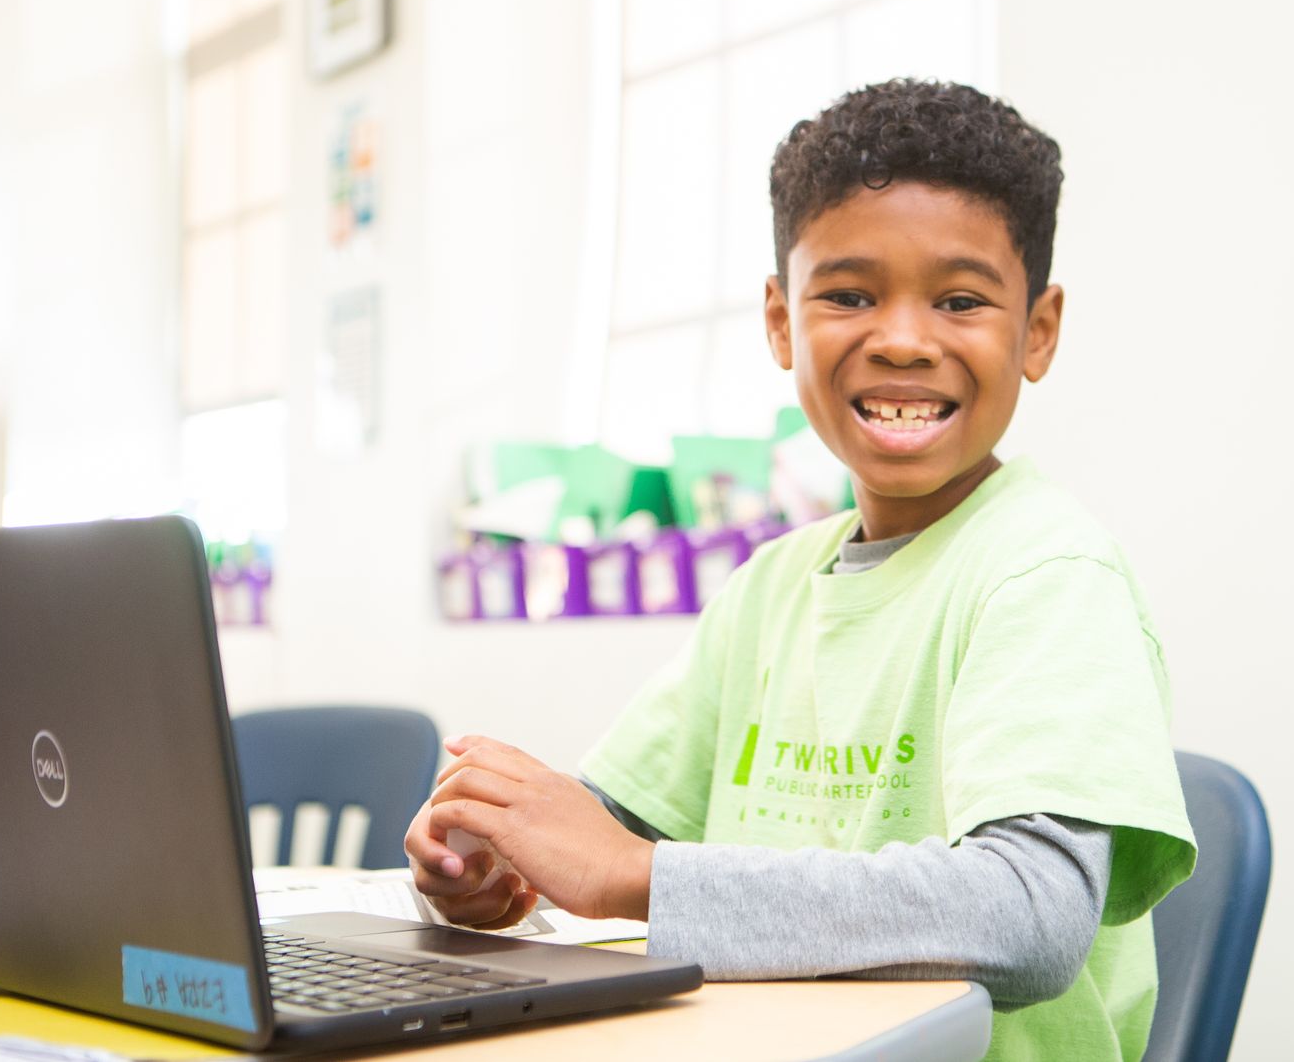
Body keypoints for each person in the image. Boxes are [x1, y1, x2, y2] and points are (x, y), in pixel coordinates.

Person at [406, 79, 1195, 1061]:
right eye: (849, 294)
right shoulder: (771, 587)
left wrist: (632, 875)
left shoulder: (1046, 571)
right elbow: (609, 823)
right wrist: (502, 857)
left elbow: (1026, 914)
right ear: (782, 322)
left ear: (1035, 330)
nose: (902, 338)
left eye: (958, 299)